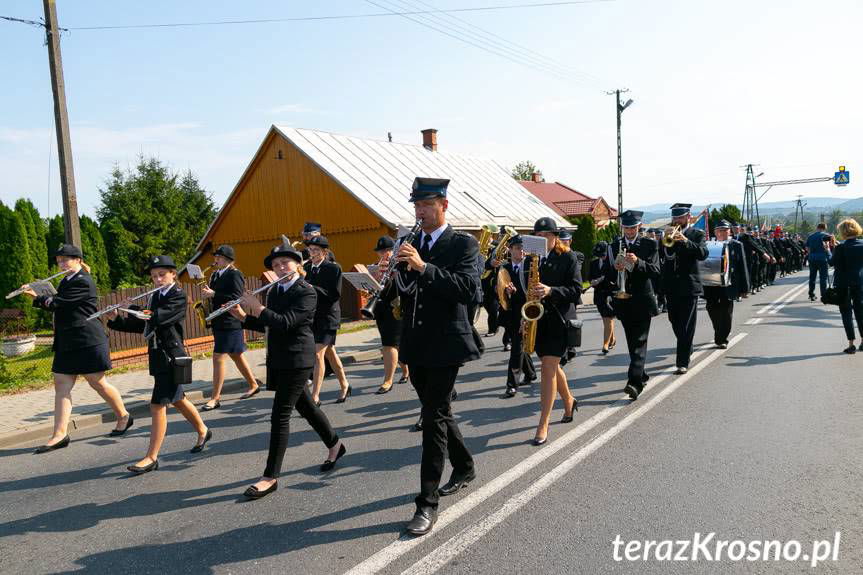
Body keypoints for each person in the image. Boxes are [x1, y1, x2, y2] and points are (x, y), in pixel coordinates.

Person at [383, 176, 482, 536]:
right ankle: (466, 465)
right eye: (416, 206)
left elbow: (468, 290)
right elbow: (408, 293)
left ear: (444, 206)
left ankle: (426, 503)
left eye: (426, 206)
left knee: (432, 420)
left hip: (447, 344)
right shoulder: (411, 242)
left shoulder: (463, 245)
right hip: (416, 341)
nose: (420, 212)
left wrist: (423, 267)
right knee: (436, 410)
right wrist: (392, 276)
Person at [228, 243, 346, 498]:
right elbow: (270, 326)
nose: (281, 267)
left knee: (279, 416)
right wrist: (243, 317)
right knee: (306, 407)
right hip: (279, 359)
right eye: (276, 264)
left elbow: (287, 322)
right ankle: (335, 444)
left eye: (286, 262)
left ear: (297, 265)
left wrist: (257, 309)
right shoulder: (274, 291)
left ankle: (270, 477)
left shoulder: (306, 292)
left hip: (298, 359)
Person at [23, 244, 132, 453]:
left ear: (78, 260)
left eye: (66, 260)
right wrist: (41, 295)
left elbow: (58, 303)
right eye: (59, 260)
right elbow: (58, 303)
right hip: (67, 340)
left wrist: (35, 296)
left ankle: (124, 416)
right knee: (61, 385)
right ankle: (59, 434)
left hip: (86, 339)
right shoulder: (66, 280)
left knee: (98, 383)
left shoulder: (83, 281)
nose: (62, 263)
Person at [107, 255, 211, 473]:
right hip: (157, 356)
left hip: (171, 356)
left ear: (173, 274)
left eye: (162, 274)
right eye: (154, 276)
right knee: (178, 399)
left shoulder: (178, 296)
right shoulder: (154, 296)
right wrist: (117, 317)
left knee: (157, 405)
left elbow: (159, 318)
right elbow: (141, 325)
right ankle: (203, 430)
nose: (157, 279)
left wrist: (134, 307)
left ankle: (151, 457)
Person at [528, 217, 581, 445]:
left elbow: (576, 290)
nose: (541, 240)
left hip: (559, 320)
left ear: (554, 237)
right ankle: (568, 400)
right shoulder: (533, 259)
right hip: (538, 320)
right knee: (553, 366)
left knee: (548, 367)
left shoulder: (568, 257)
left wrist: (551, 290)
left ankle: (543, 423)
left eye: (546, 236)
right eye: (537, 237)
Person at [201, 244, 262, 411]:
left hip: (231, 321)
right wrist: (208, 296)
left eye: (219, 257)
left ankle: (215, 398)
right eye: (216, 257)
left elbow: (236, 298)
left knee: (218, 357)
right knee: (236, 355)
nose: (216, 259)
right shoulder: (214, 275)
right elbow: (216, 295)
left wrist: (214, 294)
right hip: (218, 320)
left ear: (228, 259)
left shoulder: (235, 274)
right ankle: (253, 384)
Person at [611, 211, 661, 400]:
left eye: (633, 227)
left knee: (640, 341)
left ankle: (634, 383)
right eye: (627, 227)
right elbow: (608, 271)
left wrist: (638, 262)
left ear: (639, 227)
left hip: (642, 299)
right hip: (623, 300)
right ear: (622, 227)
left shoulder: (649, 244)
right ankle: (642, 373)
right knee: (632, 341)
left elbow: (655, 270)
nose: (630, 231)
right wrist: (615, 267)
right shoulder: (616, 244)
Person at [661, 203, 709, 375]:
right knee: (675, 321)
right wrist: (665, 244)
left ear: (689, 217)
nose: (677, 221)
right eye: (675, 218)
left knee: (686, 325)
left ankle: (682, 362)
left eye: (680, 217)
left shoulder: (697, 234)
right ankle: (687, 346)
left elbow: (703, 253)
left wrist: (686, 241)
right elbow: (664, 257)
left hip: (689, 285)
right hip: (671, 286)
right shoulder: (668, 234)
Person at [304, 236, 351, 405]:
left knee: (318, 355)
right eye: (310, 250)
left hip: (328, 316)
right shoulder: (307, 268)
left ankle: (315, 396)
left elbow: (334, 295)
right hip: (313, 317)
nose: (312, 253)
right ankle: (345, 384)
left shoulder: (333, 268)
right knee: (330, 354)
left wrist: (311, 287)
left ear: (324, 252)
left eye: (316, 250)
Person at [496, 235, 537, 397]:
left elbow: (532, 288)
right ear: (510, 249)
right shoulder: (504, 268)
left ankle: (511, 384)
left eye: (522, 248)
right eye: (518, 248)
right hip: (510, 314)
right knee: (519, 344)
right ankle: (531, 373)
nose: (521, 250)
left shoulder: (530, 265)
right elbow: (497, 290)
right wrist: (506, 291)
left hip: (525, 312)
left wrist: (517, 292)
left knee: (516, 348)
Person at [369, 235, 409, 394]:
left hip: (396, 307)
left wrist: (391, 273)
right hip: (380, 308)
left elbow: (402, 286)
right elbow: (374, 288)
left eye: (387, 250)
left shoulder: (400, 265)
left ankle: (388, 380)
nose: (383, 254)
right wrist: (374, 276)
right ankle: (406, 370)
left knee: (389, 344)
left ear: (394, 250)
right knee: (394, 345)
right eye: (380, 251)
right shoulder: (376, 266)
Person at [702, 221, 750, 349]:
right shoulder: (708, 245)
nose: (722, 232)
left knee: (726, 312)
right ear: (715, 232)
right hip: (711, 284)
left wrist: (745, 288)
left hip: (728, 284)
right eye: (719, 230)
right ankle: (718, 330)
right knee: (711, 309)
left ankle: (722, 338)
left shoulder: (736, 245)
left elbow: (742, 266)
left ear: (730, 231)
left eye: (725, 230)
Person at [829, 219, 863, 354]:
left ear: (842, 231)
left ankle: (851, 344)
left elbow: (831, 262)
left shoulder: (840, 247)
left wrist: (828, 250)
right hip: (859, 283)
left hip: (843, 285)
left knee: (846, 314)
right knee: (860, 313)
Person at [588, 241, 617, 354]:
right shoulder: (593, 263)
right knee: (606, 319)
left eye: (603, 255)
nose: (602, 257)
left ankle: (605, 344)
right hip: (599, 295)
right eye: (599, 255)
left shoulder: (613, 261)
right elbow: (589, 277)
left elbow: (615, 278)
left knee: (607, 318)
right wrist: (593, 281)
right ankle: (612, 339)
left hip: (610, 294)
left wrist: (604, 279)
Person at [807, 223, 832, 301]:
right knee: (823, 278)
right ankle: (823, 295)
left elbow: (808, 249)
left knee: (812, 277)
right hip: (822, 258)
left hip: (812, 258)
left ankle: (811, 294)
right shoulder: (825, 236)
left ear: (817, 227)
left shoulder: (811, 236)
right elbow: (827, 247)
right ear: (824, 228)